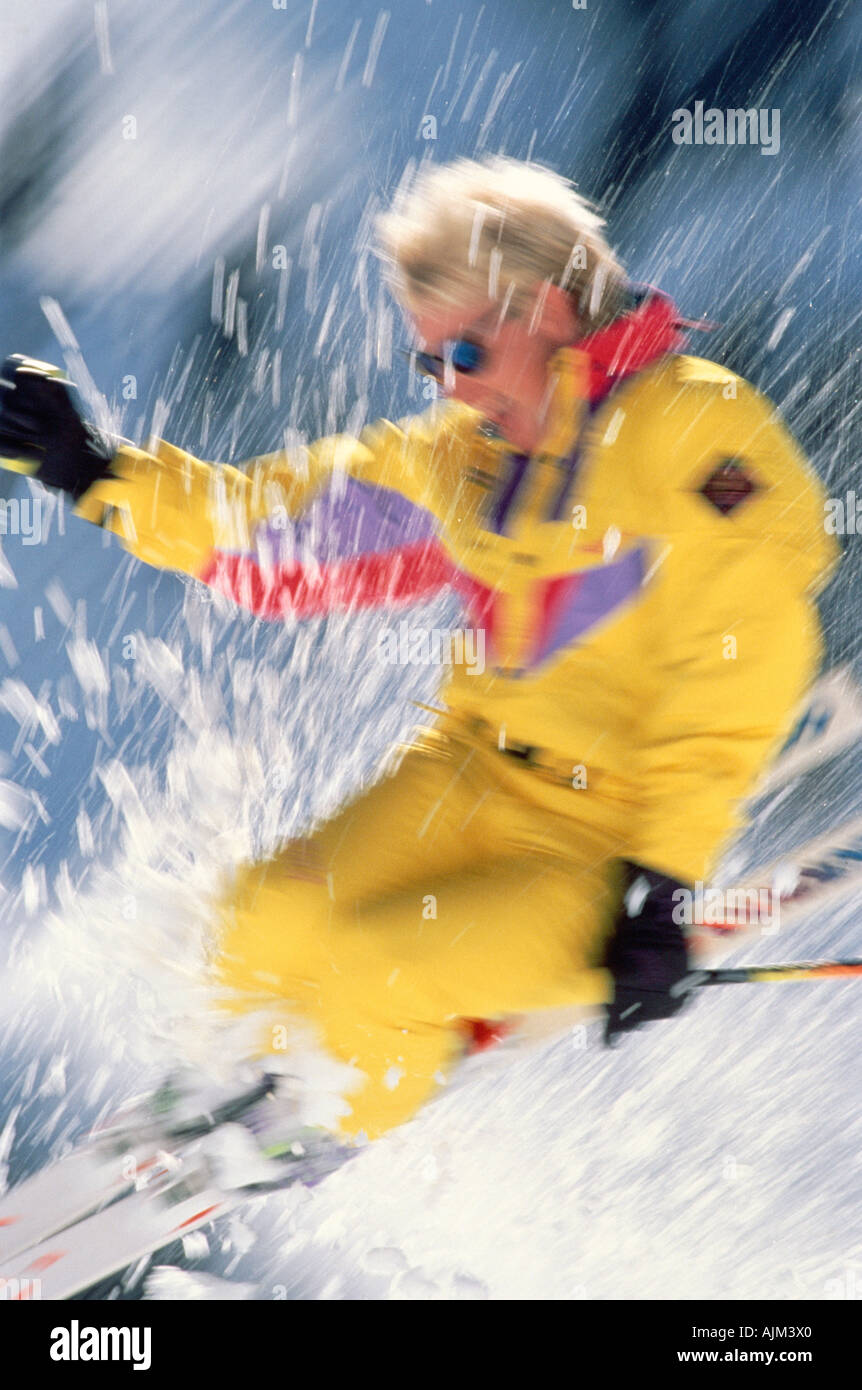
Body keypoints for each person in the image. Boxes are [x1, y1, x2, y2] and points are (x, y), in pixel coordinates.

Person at [0, 156, 838, 1144]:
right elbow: (279, 531)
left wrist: (662, 877)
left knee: (373, 966)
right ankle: (224, 1097)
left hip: (606, 836)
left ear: (547, 314)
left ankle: (309, 1128)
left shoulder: (689, 427)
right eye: (428, 363)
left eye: (466, 353)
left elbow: (751, 650)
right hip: (471, 774)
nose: (449, 386)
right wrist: (92, 468)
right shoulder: (465, 461)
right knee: (264, 918)